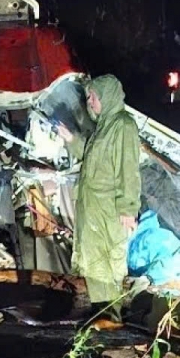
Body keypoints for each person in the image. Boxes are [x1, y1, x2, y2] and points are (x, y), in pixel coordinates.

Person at [56, 76, 142, 315]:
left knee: (106, 268)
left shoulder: (123, 125)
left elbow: (128, 168)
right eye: (88, 97)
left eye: (93, 97)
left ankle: (109, 320)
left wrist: (128, 208)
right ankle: (94, 317)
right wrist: (71, 139)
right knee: (90, 265)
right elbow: (91, 158)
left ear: (106, 96)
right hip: (92, 211)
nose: (90, 102)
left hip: (107, 212)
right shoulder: (102, 128)